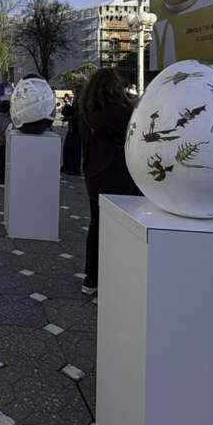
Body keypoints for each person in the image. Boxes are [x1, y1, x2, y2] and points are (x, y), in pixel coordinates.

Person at [80, 68, 141, 295]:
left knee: (96, 226)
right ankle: (116, 280)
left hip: (94, 176)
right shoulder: (121, 114)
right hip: (119, 178)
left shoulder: (88, 112)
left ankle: (91, 277)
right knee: (121, 230)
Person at [60, 81, 84, 175]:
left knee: (74, 149)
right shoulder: (76, 100)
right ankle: (67, 166)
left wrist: (69, 117)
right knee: (68, 148)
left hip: (76, 128)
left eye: (75, 90)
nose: (73, 92)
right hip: (72, 127)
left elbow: (78, 115)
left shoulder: (81, 101)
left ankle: (74, 169)